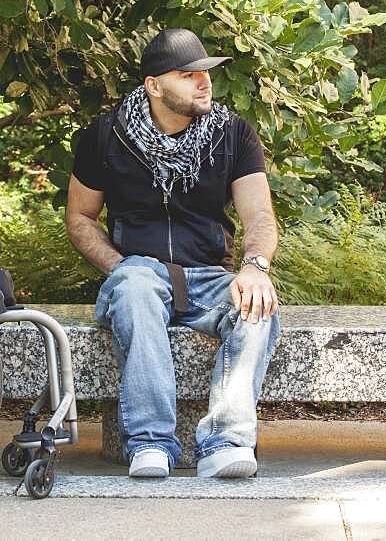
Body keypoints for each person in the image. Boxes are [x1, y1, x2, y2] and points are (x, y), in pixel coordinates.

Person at [65, 28, 281, 479]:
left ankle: (226, 442)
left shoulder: (234, 134)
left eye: (206, 73)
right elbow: (81, 218)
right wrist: (119, 269)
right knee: (137, 287)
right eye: (189, 75)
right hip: (140, 274)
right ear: (154, 85)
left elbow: (259, 212)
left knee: (257, 307)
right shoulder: (106, 136)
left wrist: (256, 266)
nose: (205, 83)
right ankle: (149, 443)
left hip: (208, 277)